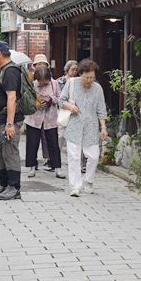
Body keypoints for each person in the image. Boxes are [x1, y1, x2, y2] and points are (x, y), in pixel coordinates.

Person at [58, 58, 107, 197]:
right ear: (80, 74)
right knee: (73, 157)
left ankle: (88, 180)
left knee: (94, 156)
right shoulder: (71, 83)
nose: (89, 81)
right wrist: (70, 106)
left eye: (92, 78)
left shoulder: (97, 88)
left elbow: (101, 110)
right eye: (86, 77)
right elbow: (61, 100)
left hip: (91, 127)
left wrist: (103, 127)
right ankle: (75, 186)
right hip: (74, 126)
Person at [0, 41, 24, 201]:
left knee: (10, 152)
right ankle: (3, 183)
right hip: (1, 120)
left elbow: (12, 97)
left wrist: (9, 123)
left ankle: (14, 188)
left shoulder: (10, 71)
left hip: (9, 121)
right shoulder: (3, 71)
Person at [25, 63, 61, 178]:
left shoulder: (54, 84)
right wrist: (38, 101)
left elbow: (61, 99)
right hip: (34, 118)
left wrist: (51, 100)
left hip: (50, 119)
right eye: (41, 81)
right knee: (32, 144)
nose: (42, 83)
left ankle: (58, 168)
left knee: (53, 143)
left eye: (45, 80)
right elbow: (26, 98)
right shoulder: (32, 84)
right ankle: (32, 167)